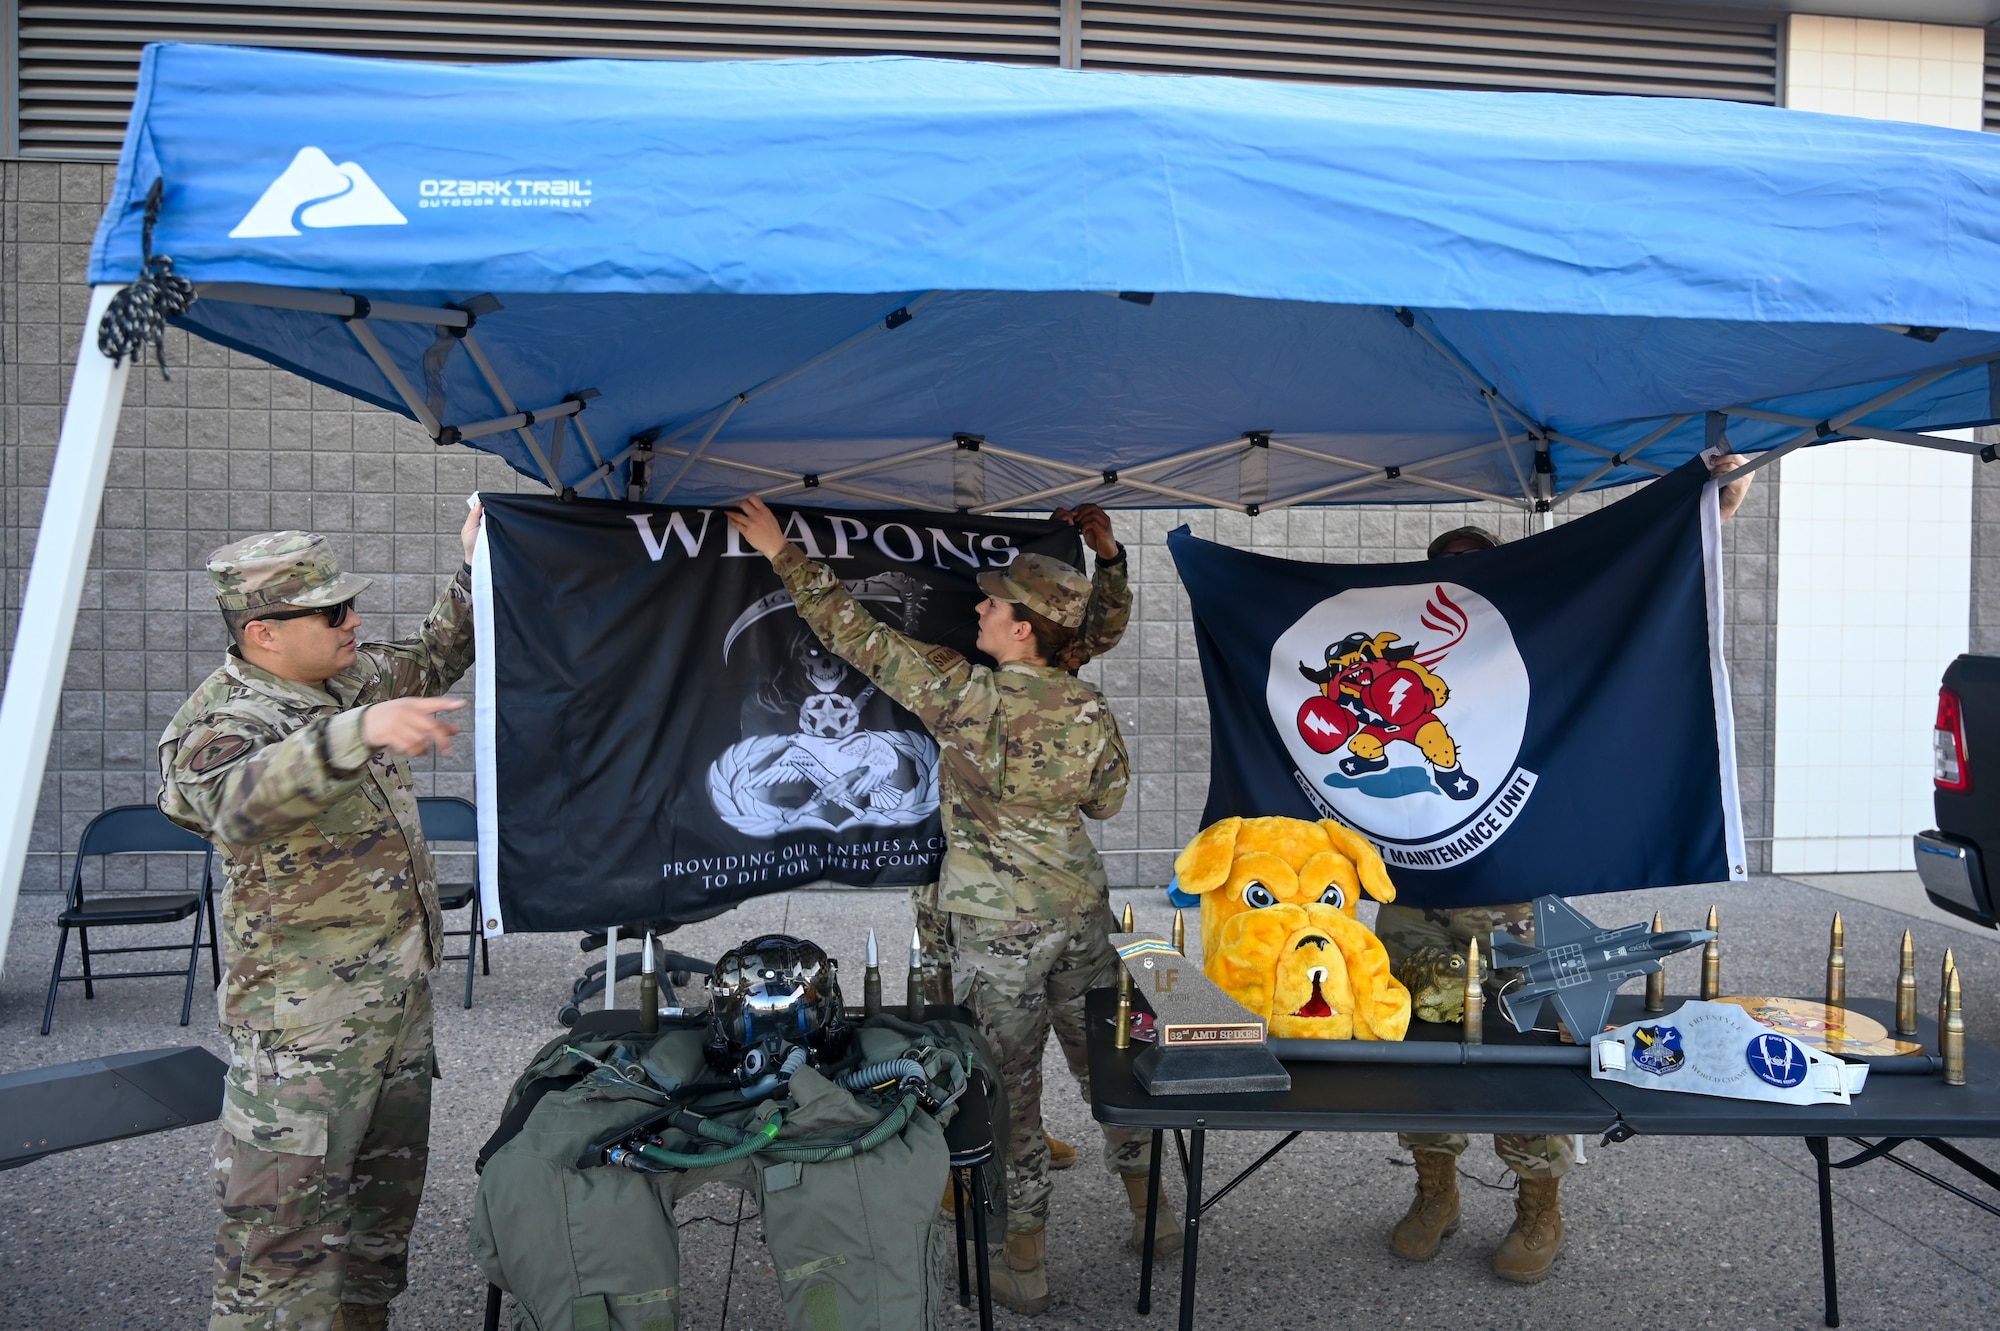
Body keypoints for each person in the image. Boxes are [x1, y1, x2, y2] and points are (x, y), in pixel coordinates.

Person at [726, 495, 1169, 1316]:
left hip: (995, 931)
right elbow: (1106, 802)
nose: (980, 608)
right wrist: (1111, 563)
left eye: (994, 603)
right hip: (1082, 915)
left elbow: (851, 633)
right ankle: (1155, 1217)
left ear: (1024, 629)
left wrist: (780, 547)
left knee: (1010, 1094)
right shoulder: (1086, 706)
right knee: (1115, 1068)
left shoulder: (964, 694)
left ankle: (1024, 1264)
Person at [1379, 453, 1753, 1283]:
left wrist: (1710, 509)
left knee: (1525, 1049)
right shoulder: (1406, 653)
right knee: (1416, 1044)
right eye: (1445, 577)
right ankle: (1434, 1190)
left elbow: (1632, 589)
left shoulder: (1543, 638)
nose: (1459, 587)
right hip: (1412, 892)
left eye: (1477, 571)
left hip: (1512, 898)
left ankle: (1537, 1208)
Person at [158, 509, 482, 1331]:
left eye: (350, 606)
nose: (355, 621)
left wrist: (482, 565)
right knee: (280, 1267)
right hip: (303, 1044)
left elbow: (438, 649)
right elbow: (234, 802)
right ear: (264, 632)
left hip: (395, 1019)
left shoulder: (348, 681)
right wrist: (357, 732)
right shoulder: (220, 723)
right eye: (333, 612)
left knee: (374, 1246)